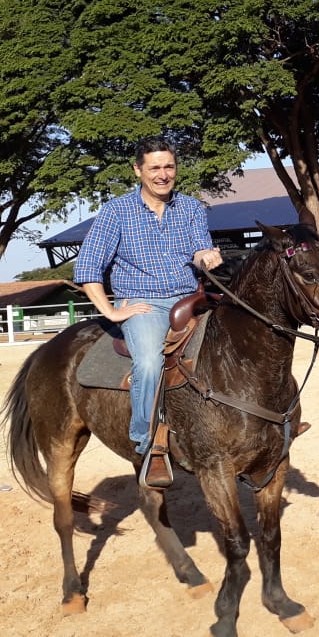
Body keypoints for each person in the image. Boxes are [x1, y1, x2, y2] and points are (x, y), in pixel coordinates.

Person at [75, 137, 223, 488]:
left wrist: (207, 257)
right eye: (154, 167)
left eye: (168, 166)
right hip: (144, 302)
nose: (163, 174)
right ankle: (148, 443)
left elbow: (199, 250)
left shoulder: (190, 208)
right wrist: (110, 311)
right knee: (148, 363)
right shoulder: (116, 212)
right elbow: (87, 269)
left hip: (190, 298)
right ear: (138, 170)